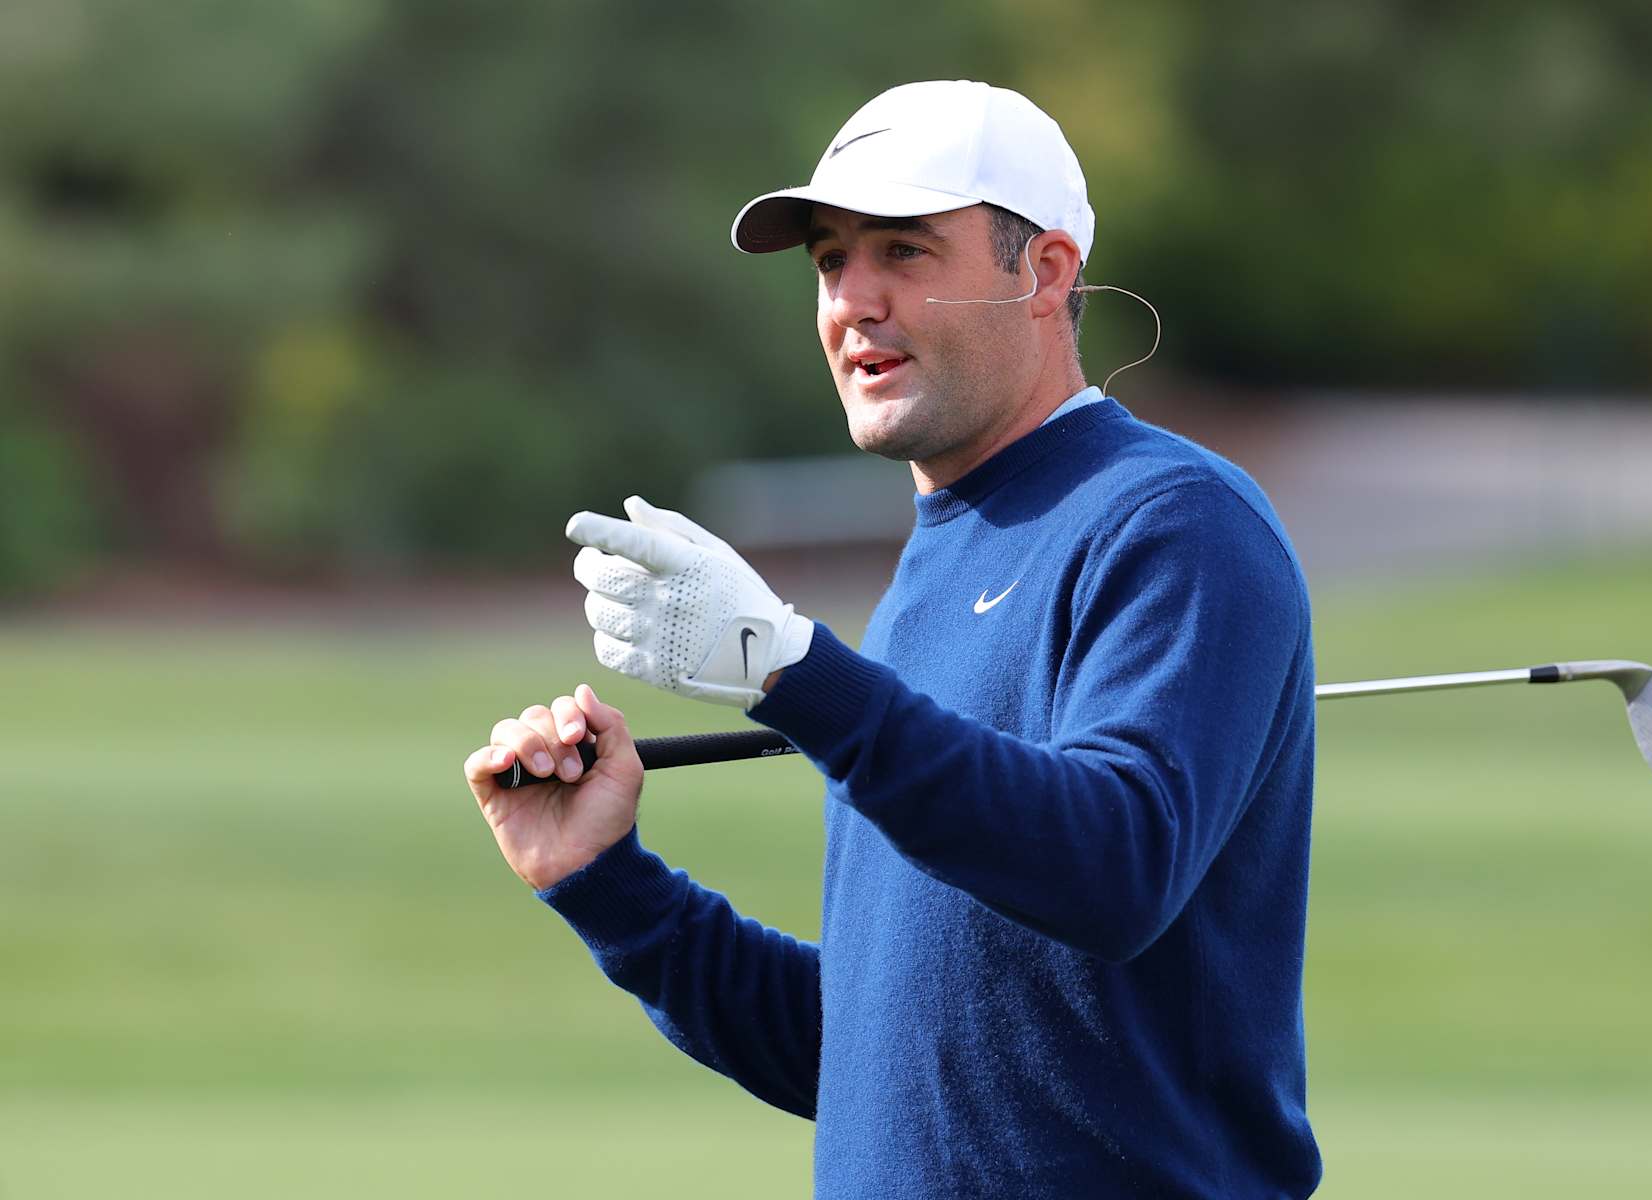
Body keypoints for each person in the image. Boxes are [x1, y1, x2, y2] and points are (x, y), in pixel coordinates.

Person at [463, 79, 1322, 1198]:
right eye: (830, 261)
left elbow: (1115, 869)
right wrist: (604, 883)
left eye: (905, 253)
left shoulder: (1174, 522)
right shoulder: (937, 563)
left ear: (1045, 272)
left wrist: (796, 672)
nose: (852, 302)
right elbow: (884, 1060)